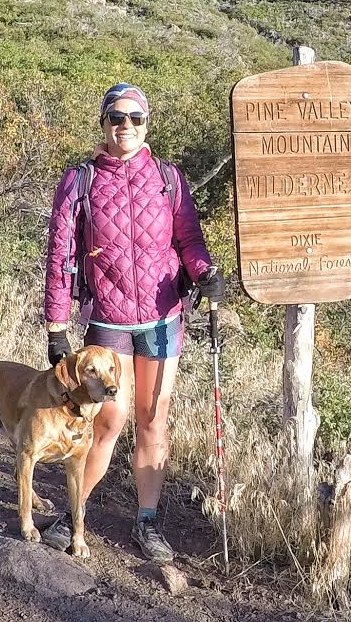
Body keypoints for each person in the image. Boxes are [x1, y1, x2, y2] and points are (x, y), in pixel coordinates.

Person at [41, 83, 225, 563]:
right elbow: (61, 256)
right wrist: (57, 326)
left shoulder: (167, 178)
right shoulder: (79, 180)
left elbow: (188, 237)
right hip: (109, 317)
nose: (126, 126)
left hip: (163, 317)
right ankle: (74, 514)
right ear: (103, 123)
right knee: (108, 418)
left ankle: (148, 520)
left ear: (147, 124)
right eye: (116, 117)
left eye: (135, 118)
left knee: (152, 420)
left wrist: (206, 273)